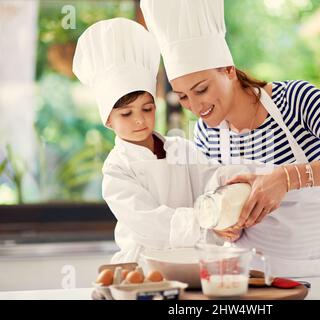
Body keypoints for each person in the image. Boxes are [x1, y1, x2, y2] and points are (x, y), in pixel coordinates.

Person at [141, 0, 320, 277]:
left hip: (314, 275)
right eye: (183, 97)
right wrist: (220, 223)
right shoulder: (205, 132)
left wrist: (286, 179)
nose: (196, 106)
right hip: (246, 279)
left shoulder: (297, 100)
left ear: (228, 69)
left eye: (201, 89)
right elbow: (212, 204)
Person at [72, 18, 241, 264]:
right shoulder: (117, 170)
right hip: (142, 265)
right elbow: (149, 223)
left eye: (147, 109)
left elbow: (213, 180)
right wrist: (205, 221)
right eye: (127, 114)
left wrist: (236, 189)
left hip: (193, 260)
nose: (140, 120)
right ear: (108, 120)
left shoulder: (180, 149)